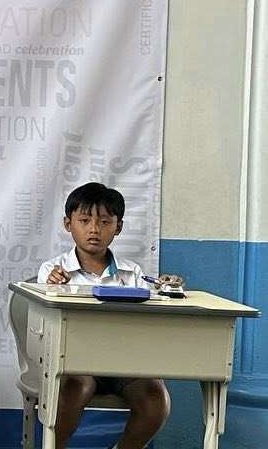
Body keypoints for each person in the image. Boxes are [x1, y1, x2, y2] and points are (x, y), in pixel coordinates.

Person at [38, 182, 181, 449]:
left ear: (118, 227)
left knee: (155, 397)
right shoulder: (53, 271)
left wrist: (166, 289)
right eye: (84, 220)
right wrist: (51, 287)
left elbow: (149, 317)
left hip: (124, 364)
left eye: (104, 221)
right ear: (68, 224)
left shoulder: (133, 274)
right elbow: (44, 319)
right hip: (76, 363)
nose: (94, 229)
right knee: (72, 388)